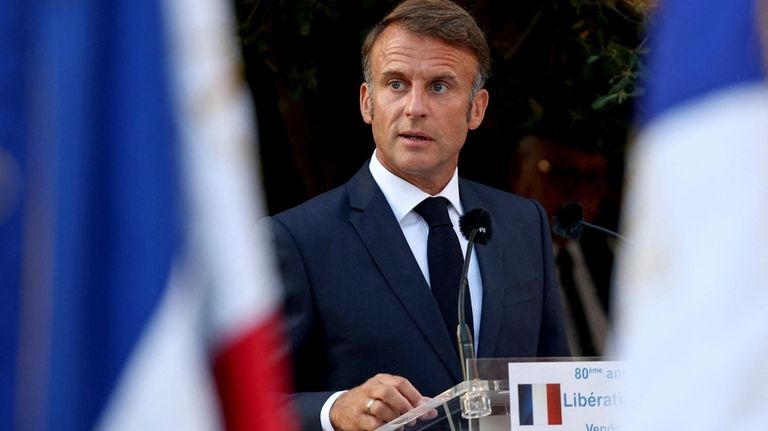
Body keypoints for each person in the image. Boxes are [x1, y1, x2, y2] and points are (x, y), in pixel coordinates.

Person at [266, 1, 570, 430]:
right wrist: (334, 409)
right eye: (396, 84)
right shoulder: (297, 240)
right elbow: (246, 402)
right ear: (367, 102)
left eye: (440, 87)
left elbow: (553, 382)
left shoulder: (522, 223)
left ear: (477, 109)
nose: (414, 107)